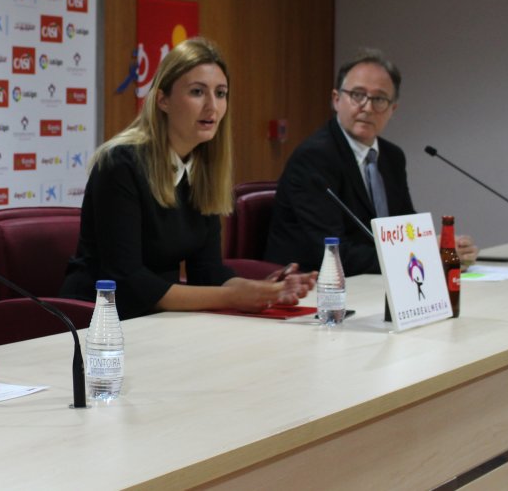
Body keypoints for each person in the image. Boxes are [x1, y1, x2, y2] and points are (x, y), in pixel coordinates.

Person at [59, 38, 314, 320]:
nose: (212, 106)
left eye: (221, 93)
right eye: (197, 92)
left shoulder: (201, 169)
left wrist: (263, 290)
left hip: (157, 319)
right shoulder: (119, 164)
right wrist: (232, 297)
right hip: (96, 320)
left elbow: (207, 271)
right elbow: (128, 282)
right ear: (163, 100)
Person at [264, 49, 478, 276]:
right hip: (312, 283)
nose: (367, 107)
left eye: (379, 99)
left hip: (371, 278)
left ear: (392, 109)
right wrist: (425, 255)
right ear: (336, 100)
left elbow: (406, 228)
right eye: (357, 95)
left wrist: (444, 248)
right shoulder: (314, 158)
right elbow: (332, 251)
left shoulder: (392, 157)